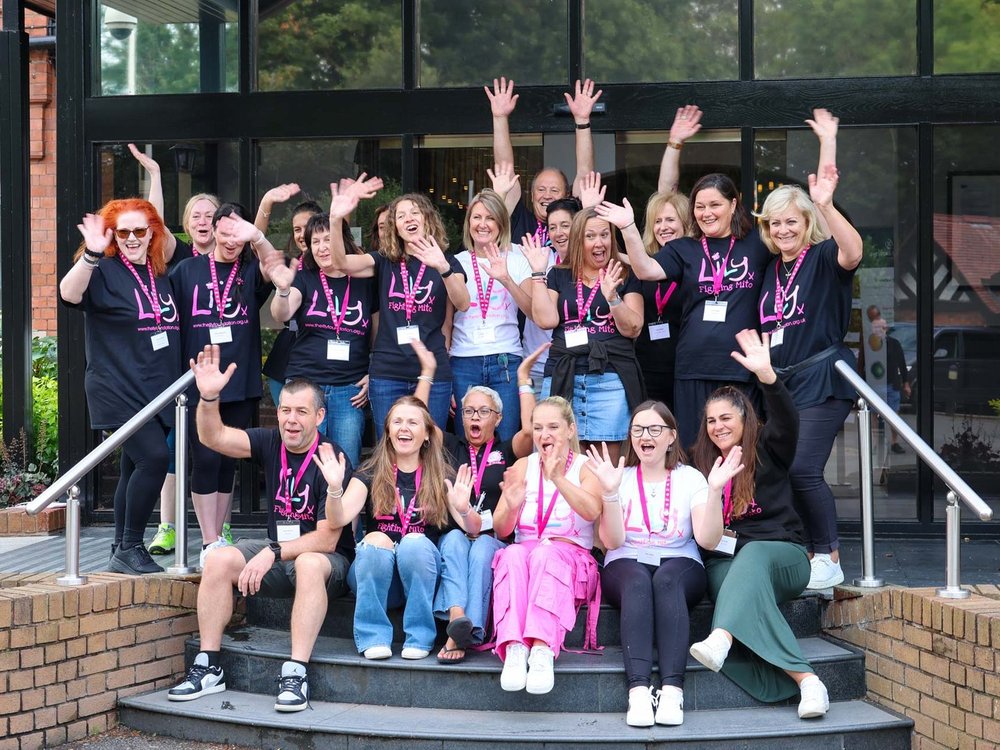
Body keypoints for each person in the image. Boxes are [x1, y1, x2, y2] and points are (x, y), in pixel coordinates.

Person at [168, 345, 353, 713]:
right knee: (218, 559)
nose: (291, 419)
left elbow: (328, 537)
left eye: (301, 411)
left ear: (319, 415)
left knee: (309, 563)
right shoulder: (270, 442)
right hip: (277, 554)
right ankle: (209, 665)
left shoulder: (332, 458)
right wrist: (208, 397)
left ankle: (296, 672)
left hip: (326, 565)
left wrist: (272, 552)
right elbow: (213, 437)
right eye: (285, 410)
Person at [687, 329, 830, 720]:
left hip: (783, 555)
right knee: (734, 580)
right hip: (724, 561)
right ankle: (808, 683)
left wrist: (769, 378)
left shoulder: (768, 445)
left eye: (726, 418)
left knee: (750, 557)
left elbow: (788, 419)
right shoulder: (700, 460)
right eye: (711, 420)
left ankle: (721, 637)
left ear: (744, 417)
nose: (718, 426)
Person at [756, 109, 862, 590]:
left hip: (824, 378)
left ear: (806, 223)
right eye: (775, 224)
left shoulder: (823, 256)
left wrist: (826, 202)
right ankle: (802, 552)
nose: (782, 230)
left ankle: (830, 556)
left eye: (791, 222)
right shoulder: (769, 270)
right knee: (781, 468)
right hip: (784, 384)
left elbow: (854, 251)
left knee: (804, 467)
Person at [591, 402, 743, 727]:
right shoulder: (622, 477)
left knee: (666, 580)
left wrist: (715, 491)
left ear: (671, 436)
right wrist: (609, 493)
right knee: (636, 581)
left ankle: (672, 689)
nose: (646, 436)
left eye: (654, 429)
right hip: (626, 560)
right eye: (638, 429)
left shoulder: (690, 478)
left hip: (680, 560)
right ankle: (639, 692)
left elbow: (707, 539)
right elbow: (613, 542)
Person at [59, 198, 181, 575]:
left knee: (133, 467)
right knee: (154, 460)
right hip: (118, 388)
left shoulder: (160, 273)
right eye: (123, 231)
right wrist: (92, 254)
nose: (131, 238)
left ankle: (119, 546)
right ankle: (130, 546)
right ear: (112, 235)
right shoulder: (104, 270)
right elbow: (68, 293)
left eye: (139, 231)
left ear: (152, 234)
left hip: (156, 390)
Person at [605, 174, 770, 449]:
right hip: (693, 367)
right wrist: (628, 228)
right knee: (695, 449)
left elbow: (800, 246)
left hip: (740, 367)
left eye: (714, 205)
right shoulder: (684, 248)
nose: (706, 213)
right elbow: (645, 269)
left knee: (741, 449)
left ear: (733, 204)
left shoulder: (757, 244)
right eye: (700, 206)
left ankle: (740, 496)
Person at [409, 339, 544, 662]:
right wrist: (427, 373)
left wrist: (524, 379)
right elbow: (417, 419)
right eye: (469, 410)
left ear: (497, 419)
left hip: (493, 537)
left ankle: (465, 633)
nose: (475, 417)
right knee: (454, 540)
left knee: (482, 548)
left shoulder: (509, 450)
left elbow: (531, 430)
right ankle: (458, 618)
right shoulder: (451, 447)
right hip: (458, 531)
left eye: (484, 412)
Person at [321, 391, 481, 660]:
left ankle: (420, 637)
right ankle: (372, 637)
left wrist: (464, 508)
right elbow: (337, 519)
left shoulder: (443, 476)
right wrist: (335, 488)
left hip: (422, 579)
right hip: (376, 577)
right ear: (388, 430)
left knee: (414, 543)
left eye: (412, 422)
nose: (404, 428)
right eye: (397, 422)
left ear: (427, 434)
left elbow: (473, 529)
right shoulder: (369, 472)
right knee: (376, 540)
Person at [170, 203, 281, 563]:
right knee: (204, 458)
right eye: (226, 230)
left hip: (240, 380)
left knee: (226, 460)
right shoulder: (187, 270)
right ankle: (207, 541)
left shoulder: (250, 271)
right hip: (199, 381)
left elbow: (277, 269)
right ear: (214, 231)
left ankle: (219, 536)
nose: (231, 238)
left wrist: (258, 236)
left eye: (238, 231)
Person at [326, 176, 471, 433]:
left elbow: (463, 303)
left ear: (428, 219)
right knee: (389, 449)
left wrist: (443, 268)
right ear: (395, 227)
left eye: (415, 213)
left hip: (432, 371)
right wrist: (335, 220)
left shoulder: (446, 261)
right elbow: (340, 264)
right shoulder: (384, 260)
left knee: (428, 447)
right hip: (387, 373)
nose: (409, 219)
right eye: (401, 216)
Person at [490, 397, 603, 695]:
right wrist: (511, 508)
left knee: (545, 552)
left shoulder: (584, 467)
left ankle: (541, 649)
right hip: (526, 555)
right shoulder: (522, 465)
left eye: (553, 426)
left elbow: (592, 511)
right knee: (512, 552)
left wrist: (557, 478)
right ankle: (515, 647)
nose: (544, 435)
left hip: (569, 557)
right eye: (538, 428)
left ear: (570, 429)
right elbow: (503, 530)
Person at [525, 207, 645, 462]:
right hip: (563, 374)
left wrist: (612, 298)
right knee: (557, 459)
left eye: (605, 235)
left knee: (607, 464)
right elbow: (546, 320)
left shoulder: (624, 272)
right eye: (591, 236)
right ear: (579, 240)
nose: (599, 242)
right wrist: (537, 273)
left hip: (609, 378)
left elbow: (633, 328)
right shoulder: (558, 274)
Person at [268, 211, 375, 468]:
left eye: (329, 239)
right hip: (306, 385)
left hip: (348, 390)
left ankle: (339, 511)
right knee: (301, 463)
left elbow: (378, 335)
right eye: (315, 241)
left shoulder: (366, 281)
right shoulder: (305, 278)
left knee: (344, 463)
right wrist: (282, 290)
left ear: (344, 241)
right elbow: (282, 312)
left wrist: (374, 371)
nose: (322, 247)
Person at [450, 188, 534, 441]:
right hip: (464, 360)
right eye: (476, 217)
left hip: (505, 360)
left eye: (490, 218)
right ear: (468, 223)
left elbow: (532, 311)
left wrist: (506, 279)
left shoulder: (517, 260)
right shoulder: (456, 262)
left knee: (507, 441)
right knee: (466, 442)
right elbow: (445, 322)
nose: (483, 224)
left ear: (501, 224)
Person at [486, 77, 600, 242]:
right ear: (531, 196)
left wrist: (582, 121)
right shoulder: (519, 220)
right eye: (541, 190)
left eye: (554, 190)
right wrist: (499, 118)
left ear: (567, 195)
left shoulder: (575, 223)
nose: (547, 195)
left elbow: (585, 173)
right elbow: (505, 170)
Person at [635, 191, 691, 408]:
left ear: (686, 222)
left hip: (682, 368)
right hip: (648, 366)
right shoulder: (643, 267)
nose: (663, 227)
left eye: (670, 220)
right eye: (657, 221)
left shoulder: (695, 266)